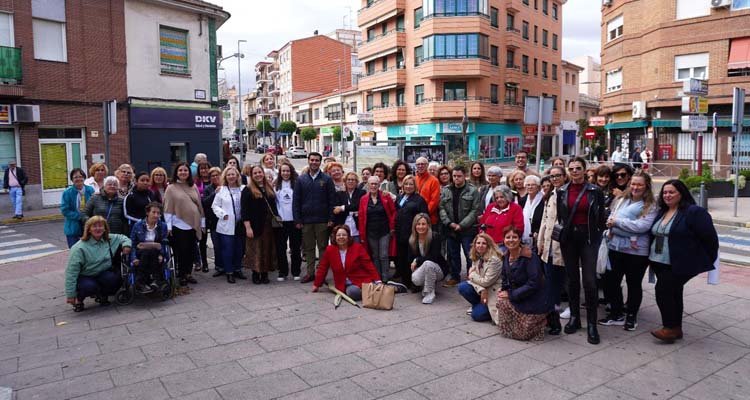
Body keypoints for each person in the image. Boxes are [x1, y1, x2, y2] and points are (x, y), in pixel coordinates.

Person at [649, 179, 718, 343]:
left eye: (671, 192)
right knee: (674, 293)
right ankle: (676, 328)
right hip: (659, 261)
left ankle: (668, 327)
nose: (667, 195)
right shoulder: (662, 211)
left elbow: (710, 239)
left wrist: (703, 259)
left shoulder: (693, 212)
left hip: (680, 263)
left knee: (663, 291)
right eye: (665, 192)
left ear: (681, 193)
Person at [599, 171, 659, 331]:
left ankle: (631, 316)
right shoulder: (621, 200)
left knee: (634, 284)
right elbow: (610, 218)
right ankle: (616, 313)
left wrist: (618, 222)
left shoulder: (651, 205)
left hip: (637, 252)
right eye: (633, 184)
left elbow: (642, 227)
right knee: (611, 282)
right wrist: (619, 223)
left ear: (646, 186)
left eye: (639, 184)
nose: (635, 187)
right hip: (615, 247)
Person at [556, 157, 606, 345]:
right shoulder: (561, 191)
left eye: (578, 168)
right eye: (571, 169)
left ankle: (592, 324)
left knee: (590, 281)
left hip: (588, 239)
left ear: (585, 170)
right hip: (569, 239)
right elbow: (562, 217)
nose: (575, 171)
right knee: (572, 280)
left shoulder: (595, 191)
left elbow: (600, 217)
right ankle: (575, 317)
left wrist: (597, 236)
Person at [65, 216, 131, 312]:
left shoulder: (109, 239)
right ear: (89, 229)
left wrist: (126, 245)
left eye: (101, 226)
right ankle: (79, 300)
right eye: (94, 226)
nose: (98, 228)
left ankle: (102, 295)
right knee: (89, 286)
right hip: (85, 275)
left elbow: (124, 238)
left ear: (105, 228)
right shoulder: (79, 248)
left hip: (102, 273)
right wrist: (70, 295)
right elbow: (71, 273)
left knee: (114, 278)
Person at [496, 225, 548, 341]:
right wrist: (504, 289)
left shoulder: (530, 257)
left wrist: (511, 294)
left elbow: (534, 283)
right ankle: (518, 323)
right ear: (504, 240)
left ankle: (544, 320)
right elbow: (505, 277)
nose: (511, 240)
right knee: (501, 300)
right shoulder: (506, 256)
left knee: (522, 336)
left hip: (534, 298)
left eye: (514, 237)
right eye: (508, 237)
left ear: (520, 239)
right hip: (520, 295)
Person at [293, 152, 336, 283]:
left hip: (322, 220)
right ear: (308, 161)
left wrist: (331, 218)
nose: (314, 162)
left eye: (317, 160)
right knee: (309, 248)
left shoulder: (327, 179)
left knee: (323, 248)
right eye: (312, 160)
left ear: (320, 162)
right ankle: (310, 273)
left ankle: (321, 274)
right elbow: (296, 201)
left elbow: (331, 200)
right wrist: (298, 219)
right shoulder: (301, 180)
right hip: (306, 221)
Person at [312, 225, 381, 301]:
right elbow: (323, 267)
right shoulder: (330, 250)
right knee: (352, 292)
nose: (341, 237)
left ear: (348, 237)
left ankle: (377, 289)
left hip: (360, 280)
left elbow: (369, 265)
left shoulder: (358, 247)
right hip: (343, 283)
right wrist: (316, 284)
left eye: (344, 235)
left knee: (354, 292)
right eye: (338, 235)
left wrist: (378, 280)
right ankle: (373, 291)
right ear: (334, 237)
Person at [163, 162, 205, 287]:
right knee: (181, 251)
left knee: (191, 251)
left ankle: (188, 273)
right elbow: (168, 208)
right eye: (180, 170)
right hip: (178, 225)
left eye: (185, 170)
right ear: (176, 172)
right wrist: (169, 226)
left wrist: (202, 223)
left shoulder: (193, 187)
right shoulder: (171, 188)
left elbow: (199, 206)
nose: (183, 172)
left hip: (193, 224)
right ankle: (181, 274)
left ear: (189, 172)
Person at [439, 165, 481, 287]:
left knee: (470, 255)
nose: (456, 178)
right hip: (451, 228)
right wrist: (449, 223)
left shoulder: (472, 191)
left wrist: (462, 225)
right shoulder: (446, 190)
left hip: (467, 229)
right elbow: (441, 207)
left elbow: (475, 210)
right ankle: (455, 276)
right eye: (455, 176)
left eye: (459, 176)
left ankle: (471, 277)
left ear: (465, 176)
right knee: (453, 254)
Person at [537, 165, 567, 334]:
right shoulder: (550, 195)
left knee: (556, 284)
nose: (555, 179)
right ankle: (550, 316)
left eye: (558, 176)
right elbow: (544, 221)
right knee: (549, 282)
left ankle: (554, 319)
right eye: (552, 176)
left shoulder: (566, 194)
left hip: (560, 247)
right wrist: (540, 242)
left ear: (564, 176)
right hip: (547, 246)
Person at [242, 165, 278, 284]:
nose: (258, 175)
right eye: (255, 173)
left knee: (267, 249)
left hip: (268, 225)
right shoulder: (247, 190)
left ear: (263, 173)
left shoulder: (269, 188)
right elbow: (244, 211)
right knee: (256, 250)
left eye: (260, 172)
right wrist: (248, 227)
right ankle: (256, 273)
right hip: (255, 225)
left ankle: (265, 273)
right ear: (251, 176)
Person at [457, 233, 503, 323]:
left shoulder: (494, 260)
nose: (480, 246)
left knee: (476, 315)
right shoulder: (477, 256)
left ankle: (485, 308)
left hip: (492, 292)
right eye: (478, 243)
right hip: (483, 289)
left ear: (488, 245)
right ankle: (478, 304)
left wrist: (471, 274)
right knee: (462, 287)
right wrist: (481, 289)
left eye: (483, 243)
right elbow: (476, 281)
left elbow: (486, 281)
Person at [212, 166, 246, 284]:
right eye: (229, 175)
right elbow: (215, 206)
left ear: (237, 176)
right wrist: (223, 214)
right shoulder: (221, 190)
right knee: (228, 249)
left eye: (233, 174)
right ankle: (229, 272)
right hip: (226, 225)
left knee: (239, 249)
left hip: (240, 225)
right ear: (225, 177)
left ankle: (238, 269)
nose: (231, 176)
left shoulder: (243, 189)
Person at [359, 176, 397, 281]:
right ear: (368, 185)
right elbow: (362, 217)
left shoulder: (386, 197)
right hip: (370, 232)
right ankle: (377, 277)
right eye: (371, 184)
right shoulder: (363, 199)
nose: (373, 186)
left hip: (385, 231)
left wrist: (392, 227)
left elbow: (393, 212)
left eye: (375, 184)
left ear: (379, 185)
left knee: (384, 255)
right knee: (375, 255)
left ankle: (385, 278)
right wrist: (362, 234)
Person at [394, 175, 428, 289]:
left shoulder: (419, 199)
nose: (408, 186)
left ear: (415, 186)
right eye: (406, 184)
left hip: (413, 234)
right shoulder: (400, 197)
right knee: (402, 258)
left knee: (412, 258)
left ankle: (415, 283)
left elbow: (424, 217)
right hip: (400, 233)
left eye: (411, 184)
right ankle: (405, 281)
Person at [129, 202, 170, 293]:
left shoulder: (162, 226)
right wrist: (134, 258)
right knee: (148, 252)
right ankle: (156, 279)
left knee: (149, 252)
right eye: (153, 212)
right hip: (140, 253)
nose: (156, 215)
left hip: (155, 253)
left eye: (158, 213)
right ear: (147, 213)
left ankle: (140, 282)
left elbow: (163, 243)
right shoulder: (137, 225)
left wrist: (161, 254)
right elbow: (133, 243)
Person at [409, 213, 448, 303]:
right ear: (415, 226)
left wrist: (417, 260)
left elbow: (433, 257)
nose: (421, 227)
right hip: (422, 268)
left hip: (439, 269)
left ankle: (429, 293)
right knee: (415, 279)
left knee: (428, 263)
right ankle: (427, 285)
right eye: (418, 224)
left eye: (423, 224)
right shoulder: (412, 239)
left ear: (428, 225)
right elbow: (409, 258)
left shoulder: (434, 236)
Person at [275, 163, 303, 281]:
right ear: (280, 173)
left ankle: (296, 271)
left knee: (295, 247)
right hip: (281, 222)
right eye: (283, 171)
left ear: (291, 172)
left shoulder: (297, 184)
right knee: (281, 248)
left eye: (287, 171)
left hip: (294, 221)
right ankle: (283, 272)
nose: (285, 173)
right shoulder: (275, 185)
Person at [60, 168, 94, 248]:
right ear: (72, 180)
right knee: (75, 252)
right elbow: (65, 210)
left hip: (88, 226)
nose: (78, 179)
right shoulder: (67, 192)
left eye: (80, 176)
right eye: (75, 177)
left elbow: (94, 206)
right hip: (73, 227)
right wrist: (80, 216)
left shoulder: (90, 190)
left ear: (84, 178)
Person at [333, 172, 365, 243]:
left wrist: (342, 208)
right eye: (349, 179)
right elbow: (336, 209)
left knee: (356, 249)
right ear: (345, 181)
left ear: (356, 182)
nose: (350, 181)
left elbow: (357, 205)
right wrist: (352, 209)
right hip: (343, 227)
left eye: (353, 180)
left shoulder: (362, 193)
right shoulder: (339, 194)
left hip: (356, 228)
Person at [203, 167, 223, 275]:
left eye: (217, 175)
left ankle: (228, 265)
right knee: (217, 245)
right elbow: (205, 203)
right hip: (214, 222)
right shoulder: (208, 189)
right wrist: (214, 193)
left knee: (227, 244)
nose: (215, 177)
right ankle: (218, 266)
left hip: (226, 221)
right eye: (213, 176)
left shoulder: (226, 186)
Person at [195, 162, 213, 272]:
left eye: (206, 168)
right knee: (202, 240)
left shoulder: (214, 180)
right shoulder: (196, 183)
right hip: (201, 214)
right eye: (201, 169)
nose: (204, 170)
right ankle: (204, 262)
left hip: (213, 214)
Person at [414, 157, 441, 227]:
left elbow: (434, 201)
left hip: (429, 218)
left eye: (422, 164)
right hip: (415, 218)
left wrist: (423, 215)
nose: (420, 166)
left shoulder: (434, 180)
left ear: (427, 165)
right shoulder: (414, 179)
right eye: (418, 164)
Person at [522, 175, 543, 245]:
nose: (530, 187)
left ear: (538, 187)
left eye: (533, 185)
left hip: (538, 234)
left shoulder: (543, 200)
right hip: (524, 234)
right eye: (528, 185)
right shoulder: (522, 200)